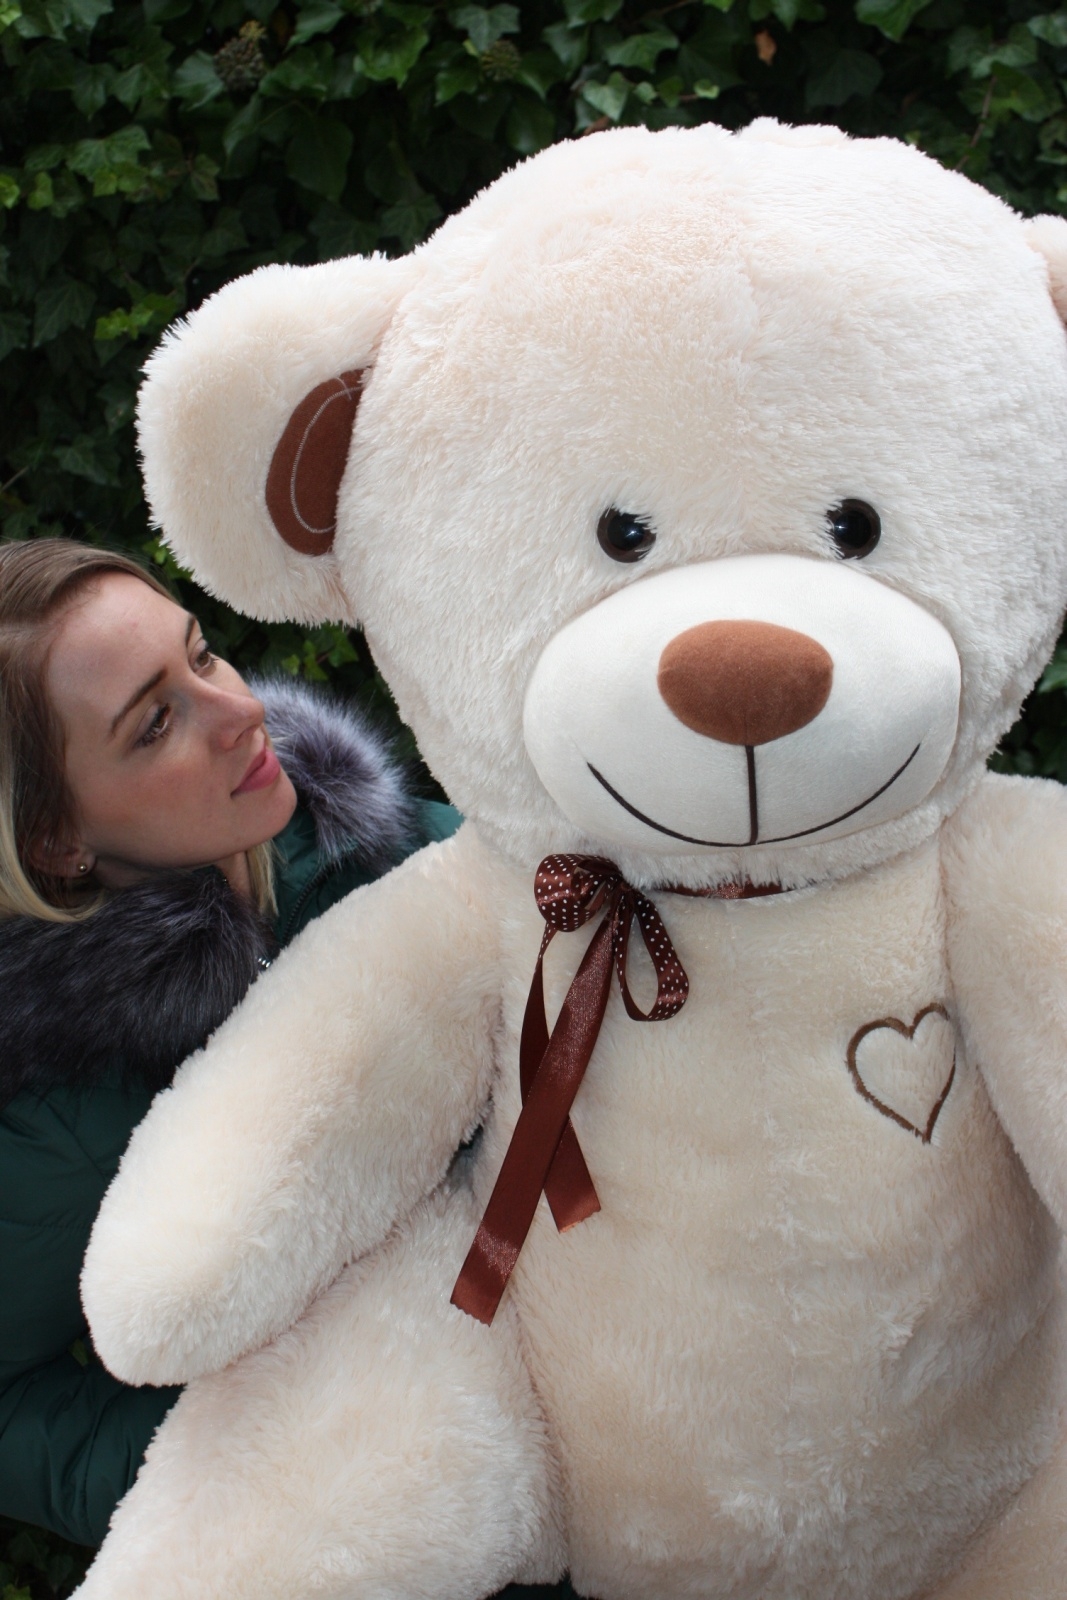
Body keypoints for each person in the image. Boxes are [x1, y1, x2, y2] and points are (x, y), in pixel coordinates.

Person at [0, 537, 460, 1548]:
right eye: (155, 722)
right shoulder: (63, 1113)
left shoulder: (363, 846)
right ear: (56, 842)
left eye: (202, 654)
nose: (240, 711)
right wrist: (286, 1460)